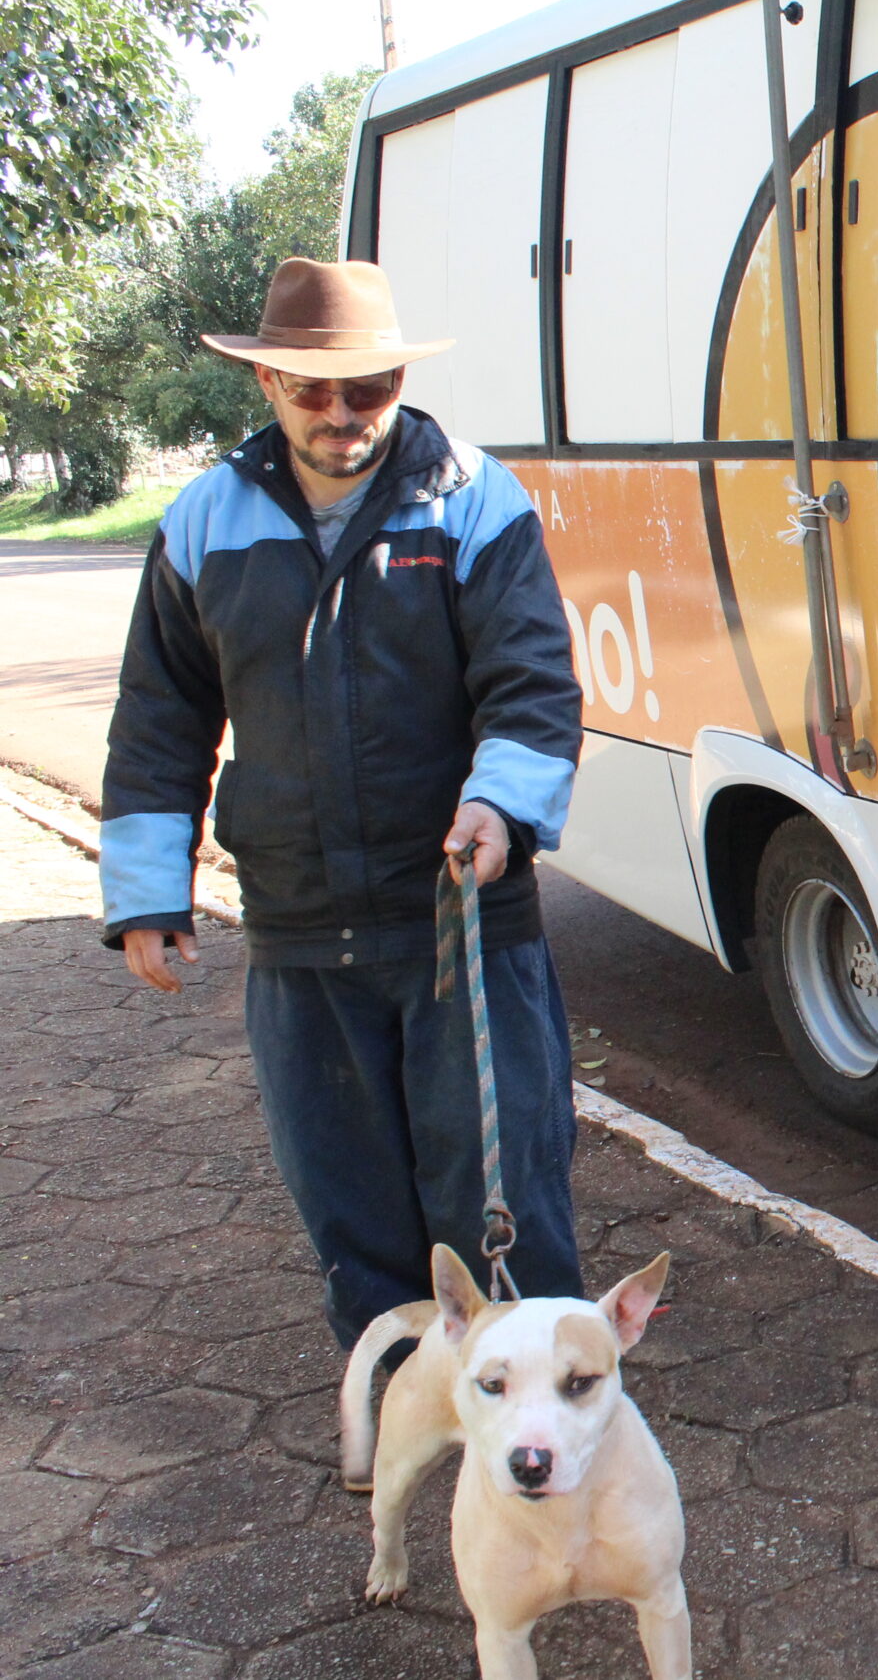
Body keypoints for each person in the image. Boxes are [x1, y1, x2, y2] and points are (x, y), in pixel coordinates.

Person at [98, 257, 586, 1347]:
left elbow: (534, 684)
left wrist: (499, 808)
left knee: (501, 1194)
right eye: (312, 389)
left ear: (400, 378)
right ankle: (399, 1403)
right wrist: (145, 891)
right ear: (267, 383)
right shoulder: (202, 522)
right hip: (299, 925)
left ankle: (540, 1442)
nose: (341, 414)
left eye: (366, 388)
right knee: (349, 1200)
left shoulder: (473, 500)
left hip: (461, 921)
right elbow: (161, 715)